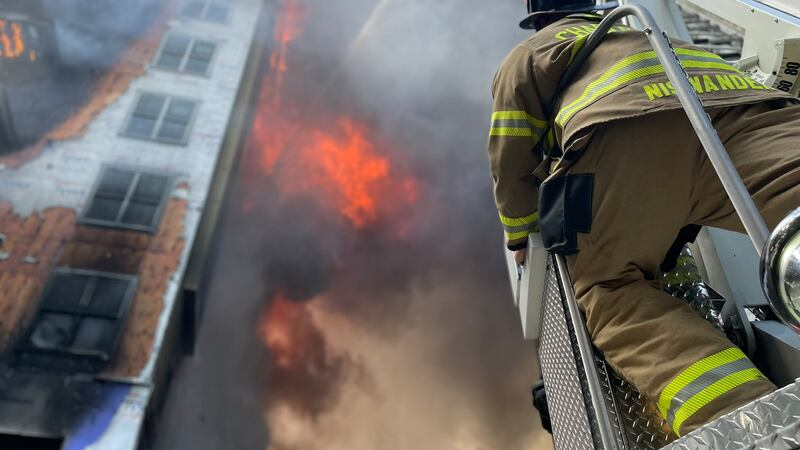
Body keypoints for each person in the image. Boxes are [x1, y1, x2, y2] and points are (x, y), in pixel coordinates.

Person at [488, 0, 800, 436]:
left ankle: (746, 423)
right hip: (743, 111)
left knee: (609, 289)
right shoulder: (641, 28)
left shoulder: (532, 52)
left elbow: (511, 153)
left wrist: (519, 235)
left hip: (624, 134)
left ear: (541, 20)